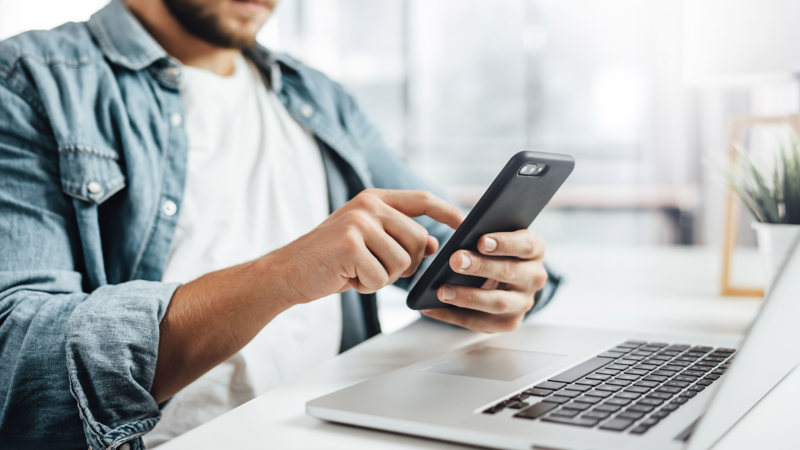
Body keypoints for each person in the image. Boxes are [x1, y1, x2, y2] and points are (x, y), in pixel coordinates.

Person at [0, 0, 558, 448]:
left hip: (346, 429)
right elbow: (19, 356)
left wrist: (497, 277)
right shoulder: (30, 79)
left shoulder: (314, 94)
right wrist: (283, 275)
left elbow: (442, 249)